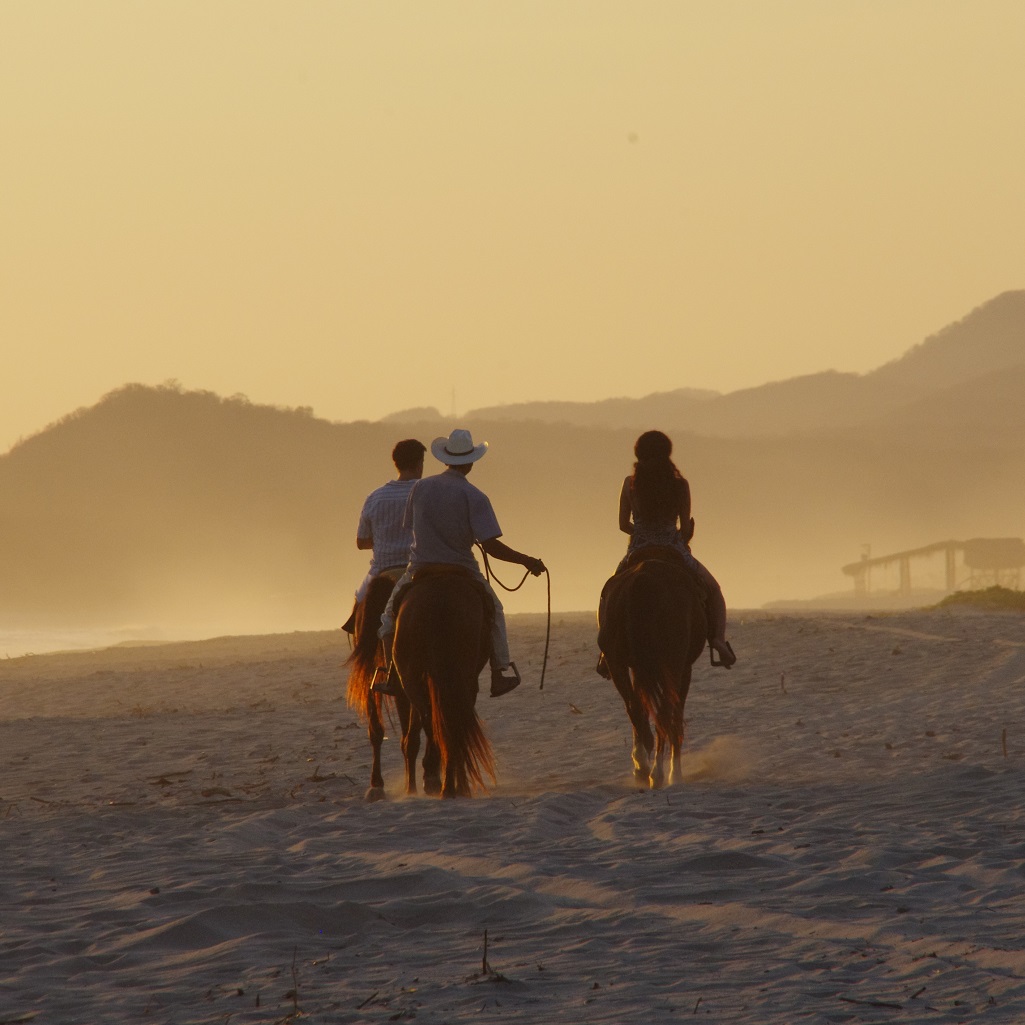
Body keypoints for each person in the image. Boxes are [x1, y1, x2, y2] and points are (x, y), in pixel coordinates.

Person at [374, 428, 545, 698]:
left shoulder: (420, 487)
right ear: (471, 461)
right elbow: (490, 545)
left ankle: (392, 672)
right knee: (495, 611)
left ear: (445, 459)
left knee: (387, 620)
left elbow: (412, 527)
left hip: (420, 570)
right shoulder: (475, 495)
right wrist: (526, 561)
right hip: (461, 570)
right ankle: (500, 671)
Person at [597, 429, 735, 675]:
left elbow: (622, 525)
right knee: (714, 591)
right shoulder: (680, 485)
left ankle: (607, 652)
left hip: (638, 549)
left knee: (608, 593)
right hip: (673, 548)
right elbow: (684, 527)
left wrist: (640, 532)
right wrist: (682, 536)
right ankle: (718, 642)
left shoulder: (629, 484)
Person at [341, 438, 426, 635]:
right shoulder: (427, 491)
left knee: (360, 602)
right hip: (420, 567)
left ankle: (361, 641)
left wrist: (384, 539)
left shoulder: (375, 497)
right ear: (419, 463)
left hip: (382, 570)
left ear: (395, 462)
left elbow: (361, 542)